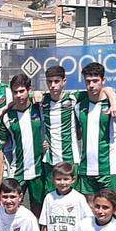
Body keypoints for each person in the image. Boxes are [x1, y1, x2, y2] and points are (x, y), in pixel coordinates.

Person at [0, 74, 46, 215]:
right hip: (17, 169)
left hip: (38, 169)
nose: (18, 95)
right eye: (15, 92)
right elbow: (2, 143)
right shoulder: (7, 116)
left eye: (22, 91)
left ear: (29, 90)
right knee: (11, 207)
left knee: (39, 210)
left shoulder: (39, 108)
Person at [76, 62, 116, 196]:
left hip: (109, 168)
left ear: (103, 80)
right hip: (86, 168)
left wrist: (113, 100)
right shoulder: (79, 107)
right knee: (89, 211)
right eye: (88, 81)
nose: (91, 85)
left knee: (111, 210)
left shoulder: (115, 105)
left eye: (95, 81)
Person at [39, 64, 80, 194]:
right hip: (49, 160)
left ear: (64, 82)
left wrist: (113, 100)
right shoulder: (42, 100)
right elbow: (20, 98)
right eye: (50, 82)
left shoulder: (74, 98)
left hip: (70, 158)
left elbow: (105, 90)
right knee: (51, 199)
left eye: (57, 81)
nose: (53, 85)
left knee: (73, 200)